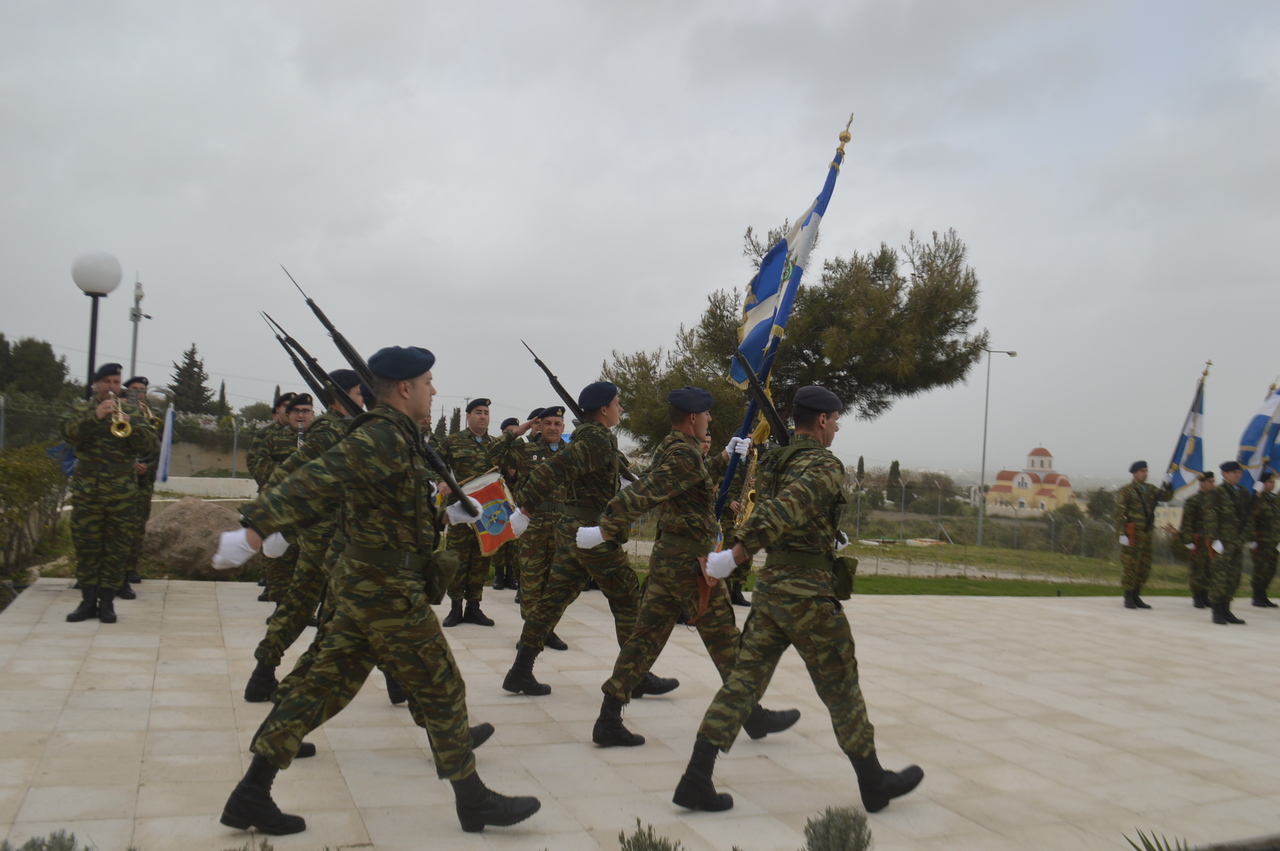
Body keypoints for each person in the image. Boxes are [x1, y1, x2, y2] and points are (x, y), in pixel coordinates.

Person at [213, 346, 540, 836]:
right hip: (385, 588)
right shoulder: (383, 435)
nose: (433, 389)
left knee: (320, 685)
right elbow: (319, 478)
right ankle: (472, 800)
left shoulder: (400, 437)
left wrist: (445, 510)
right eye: (428, 381)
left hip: (367, 585)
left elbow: (393, 507)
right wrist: (254, 531)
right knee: (441, 683)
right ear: (405, 388)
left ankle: (250, 795)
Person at [672, 386, 922, 815]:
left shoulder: (773, 460)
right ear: (822, 420)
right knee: (841, 686)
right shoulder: (825, 466)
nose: (839, 426)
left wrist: (826, 532)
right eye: (837, 419)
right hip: (807, 594)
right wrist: (735, 554)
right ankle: (872, 781)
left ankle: (696, 777)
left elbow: (781, 507)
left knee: (741, 685)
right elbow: (789, 507)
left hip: (771, 591)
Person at [579, 386, 799, 747]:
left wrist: (724, 458)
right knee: (726, 640)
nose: (710, 419)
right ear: (694, 418)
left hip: (670, 560)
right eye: (707, 415)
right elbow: (648, 489)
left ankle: (608, 717)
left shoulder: (675, 447)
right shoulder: (682, 454)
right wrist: (606, 527)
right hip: (689, 564)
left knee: (643, 640)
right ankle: (752, 715)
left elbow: (690, 482)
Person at [501, 382, 676, 697]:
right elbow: (550, 472)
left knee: (552, 600)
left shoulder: (597, 439)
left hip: (574, 530)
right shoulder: (593, 441)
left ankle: (520, 671)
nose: (620, 408)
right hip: (590, 531)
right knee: (626, 597)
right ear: (604, 409)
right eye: (617, 403)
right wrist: (524, 510)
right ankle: (635, 675)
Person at [243, 371, 364, 704]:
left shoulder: (347, 427)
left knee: (300, 602)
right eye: (358, 391)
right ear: (340, 396)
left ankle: (262, 673)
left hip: (328, 531)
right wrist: (267, 520)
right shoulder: (330, 429)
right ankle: (298, 691)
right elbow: (290, 471)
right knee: (343, 612)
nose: (363, 397)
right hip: (330, 533)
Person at [60, 363, 156, 624]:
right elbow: (68, 434)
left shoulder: (132, 412)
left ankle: (108, 603)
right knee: (87, 546)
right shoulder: (81, 410)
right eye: (107, 382)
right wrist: (96, 417)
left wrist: (131, 427)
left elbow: (149, 444)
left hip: (121, 492)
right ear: (96, 384)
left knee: (116, 548)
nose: (112, 387)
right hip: (87, 489)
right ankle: (88, 602)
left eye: (116, 382)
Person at [492, 407, 570, 650]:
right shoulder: (527, 450)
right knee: (531, 581)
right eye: (547, 423)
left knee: (555, 583)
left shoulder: (572, 454)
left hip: (561, 528)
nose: (552, 428)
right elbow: (492, 453)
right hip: (533, 526)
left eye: (557, 423)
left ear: (563, 428)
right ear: (539, 425)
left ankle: (548, 630)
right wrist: (518, 431)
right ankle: (530, 633)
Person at [439, 398, 498, 627]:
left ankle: (474, 607)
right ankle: (455, 608)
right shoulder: (452, 442)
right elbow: (432, 465)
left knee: (481, 560)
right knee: (458, 559)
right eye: (478, 412)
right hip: (460, 512)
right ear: (468, 416)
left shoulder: (494, 444)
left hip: (487, 513)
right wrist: (440, 483)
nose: (483, 416)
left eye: (486, 412)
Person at [118, 375, 160, 596]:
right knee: (118, 527)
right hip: (122, 478)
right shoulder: (117, 410)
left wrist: (146, 465)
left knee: (137, 525)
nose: (138, 393)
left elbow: (155, 446)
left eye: (142, 389)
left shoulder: (148, 415)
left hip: (143, 479)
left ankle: (130, 567)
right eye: (134, 389)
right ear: (126, 391)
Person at [1115, 461, 1173, 609]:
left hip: (1146, 533)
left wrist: (1167, 485)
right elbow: (1119, 513)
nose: (1145, 474)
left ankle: (1136, 594)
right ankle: (1128, 595)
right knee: (1131, 565)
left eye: (1146, 471)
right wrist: (1122, 533)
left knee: (1144, 566)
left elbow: (1165, 497)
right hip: (1133, 533)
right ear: (1134, 473)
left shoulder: (1150, 489)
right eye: (1142, 471)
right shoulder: (1126, 490)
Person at [1206, 460, 1254, 625]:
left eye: (1239, 472)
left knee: (1233, 577)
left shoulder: (1242, 492)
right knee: (1220, 576)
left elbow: (1250, 514)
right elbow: (1211, 518)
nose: (1238, 475)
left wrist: (1259, 495)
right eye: (1234, 472)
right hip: (1222, 542)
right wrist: (1214, 540)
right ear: (1224, 474)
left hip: (1237, 541)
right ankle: (1217, 610)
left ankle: (1226, 609)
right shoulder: (1216, 493)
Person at [1172, 471, 1215, 608]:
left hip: (1211, 540)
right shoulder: (1193, 500)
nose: (1213, 484)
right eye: (1210, 482)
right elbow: (1187, 522)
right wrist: (1188, 540)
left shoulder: (1216, 500)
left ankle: (1205, 595)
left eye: (1213, 482)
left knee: (1209, 568)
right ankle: (1197, 596)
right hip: (1198, 539)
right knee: (1198, 569)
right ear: (1201, 482)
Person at [490, 416, 523, 592]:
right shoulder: (498, 454)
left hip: (517, 502)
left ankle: (511, 575)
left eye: (515, 433)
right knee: (500, 538)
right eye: (509, 433)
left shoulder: (522, 454)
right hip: (500, 501)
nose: (513, 436)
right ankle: (498, 574)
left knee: (514, 539)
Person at [1249, 471, 1280, 607]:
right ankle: (1257, 596)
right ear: (1263, 483)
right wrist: (1252, 539)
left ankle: (1263, 595)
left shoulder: (1274, 499)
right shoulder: (1257, 500)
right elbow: (1251, 518)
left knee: (1271, 569)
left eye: (1273, 482)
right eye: (1270, 482)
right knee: (1260, 569)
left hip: (1274, 540)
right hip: (1261, 540)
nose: (1272, 484)